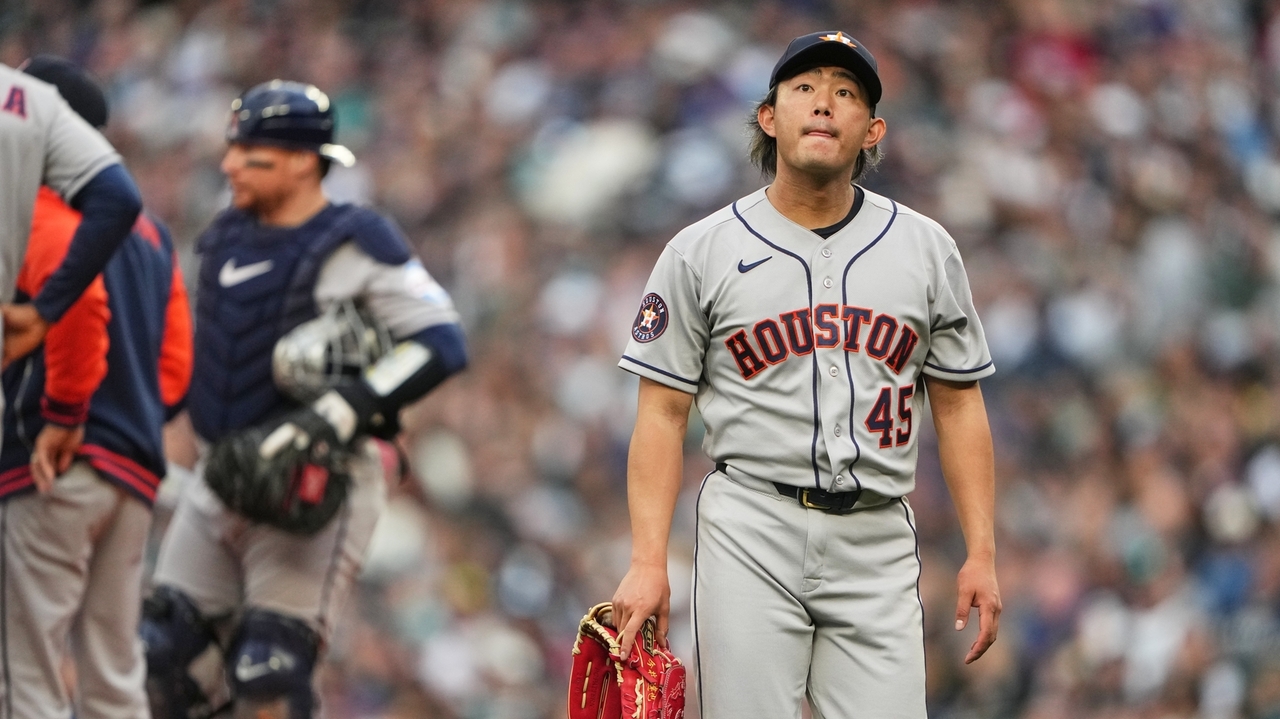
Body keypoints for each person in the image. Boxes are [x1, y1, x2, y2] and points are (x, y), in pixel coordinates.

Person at [610, 31, 1002, 718]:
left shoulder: (925, 248)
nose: (825, 103)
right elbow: (663, 412)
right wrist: (648, 560)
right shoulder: (700, 250)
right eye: (804, 88)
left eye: (846, 93)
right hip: (750, 527)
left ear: (872, 129)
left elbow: (960, 402)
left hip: (877, 536)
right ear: (769, 117)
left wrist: (982, 549)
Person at [140, 80, 467, 719]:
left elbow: (441, 340)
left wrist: (342, 407)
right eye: (233, 149)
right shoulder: (224, 237)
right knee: (162, 655)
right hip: (221, 477)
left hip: (314, 484)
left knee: (268, 673)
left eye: (251, 152)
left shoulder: (355, 239)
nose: (231, 163)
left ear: (300, 160)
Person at [0, 56, 194, 719]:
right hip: (132, 474)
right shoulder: (151, 235)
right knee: (113, 679)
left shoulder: (39, 206)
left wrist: (67, 413)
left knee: (24, 675)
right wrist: (131, 421)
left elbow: (78, 307)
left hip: (53, 463)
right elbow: (176, 371)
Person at [0, 59, 144, 369]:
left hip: (66, 410)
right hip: (135, 413)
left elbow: (86, 304)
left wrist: (64, 413)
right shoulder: (151, 231)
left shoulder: (50, 219)